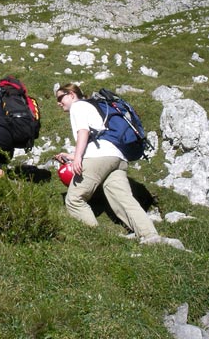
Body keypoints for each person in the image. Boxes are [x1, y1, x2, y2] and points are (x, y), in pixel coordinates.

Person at [54, 83, 165, 243]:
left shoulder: (78, 106)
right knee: (123, 198)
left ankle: (97, 240)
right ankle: (150, 235)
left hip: (99, 157)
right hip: (117, 157)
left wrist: (78, 157)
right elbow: (98, 136)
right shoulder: (94, 106)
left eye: (60, 97)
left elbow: (83, 131)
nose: (58, 102)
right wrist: (72, 156)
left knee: (74, 199)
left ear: (71, 94)